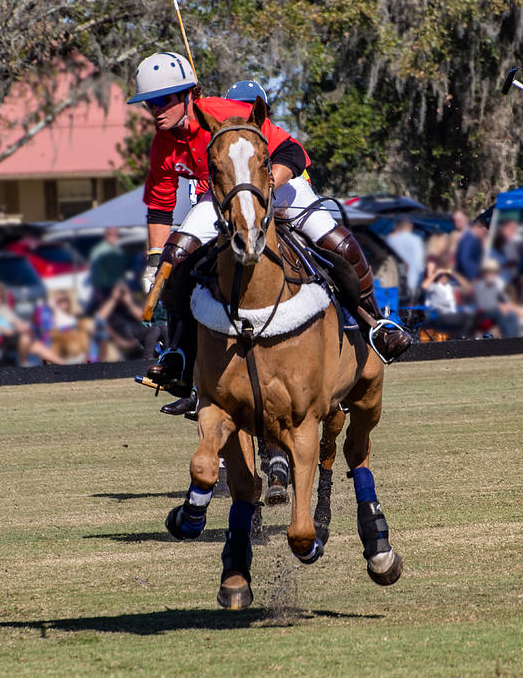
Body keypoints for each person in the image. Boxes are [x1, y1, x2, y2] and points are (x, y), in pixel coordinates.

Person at [129, 54, 410, 415]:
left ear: (187, 96)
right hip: (223, 200)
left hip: (277, 185)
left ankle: (376, 324)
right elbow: (159, 204)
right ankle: (180, 355)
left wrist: (266, 190)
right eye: (149, 103)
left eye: (163, 100)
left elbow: (293, 151)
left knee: (334, 240)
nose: (155, 109)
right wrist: (155, 260)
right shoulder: (163, 144)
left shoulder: (224, 112)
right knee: (177, 258)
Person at [0, 283, 66, 366]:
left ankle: (64, 366)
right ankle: (23, 363)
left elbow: (14, 320)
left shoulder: (3, 309)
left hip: (11, 336)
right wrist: (3, 328)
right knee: (25, 339)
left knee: (38, 346)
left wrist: (22, 325)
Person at [386, 216, 425, 303]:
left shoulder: (391, 239)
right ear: (410, 226)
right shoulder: (416, 240)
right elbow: (420, 265)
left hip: (393, 281)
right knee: (409, 311)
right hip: (412, 281)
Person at [88, 227, 127, 307]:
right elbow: (96, 273)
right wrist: (99, 293)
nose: (116, 237)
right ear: (107, 235)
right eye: (114, 235)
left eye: (117, 235)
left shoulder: (117, 250)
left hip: (116, 287)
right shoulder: (99, 250)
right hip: (104, 289)